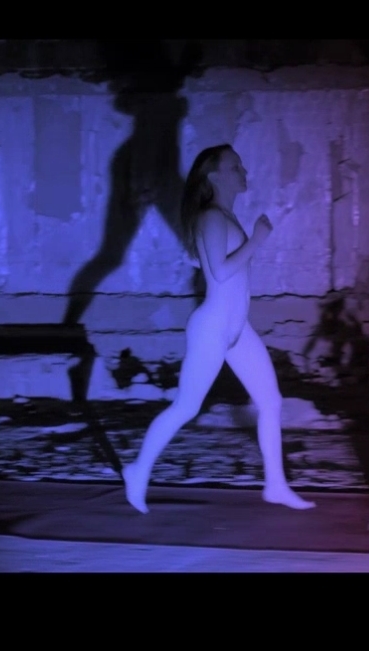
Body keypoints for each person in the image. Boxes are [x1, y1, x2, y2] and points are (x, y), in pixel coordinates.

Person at [122, 144, 315, 514]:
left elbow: (211, 262)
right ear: (214, 176)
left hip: (237, 329)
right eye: (235, 166)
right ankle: (138, 469)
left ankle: (276, 485)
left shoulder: (222, 217)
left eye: (241, 165)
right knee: (187, 406)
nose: (244, 172)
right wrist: (257, 240)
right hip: (212, 328)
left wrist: (217, 250)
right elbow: (221, 272)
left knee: (270, 402)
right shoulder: (211, 216)